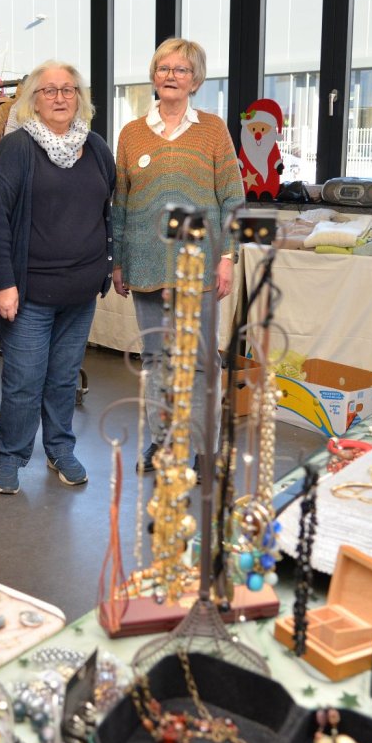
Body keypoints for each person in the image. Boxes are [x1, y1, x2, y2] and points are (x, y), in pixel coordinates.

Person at [112, 38, 245, 472]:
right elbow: (120, 203)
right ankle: (162, 443)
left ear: (196, 80)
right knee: (155, 359)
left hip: (200, 265)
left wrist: (227, 257)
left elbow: (233, 198)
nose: (171, 76)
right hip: (145, 263)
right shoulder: (131, 133)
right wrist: (118, 260)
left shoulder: (213, 129)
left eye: (181, 70)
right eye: (164, 68)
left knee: (202, 361)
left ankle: (205, 449)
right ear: (154, 76)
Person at [0, 60, 115, 495]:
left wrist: (107, 265)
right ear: (34, 101)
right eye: (50, 91)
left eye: (68, 89)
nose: (60, 98)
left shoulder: (96, 147)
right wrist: (4, 283)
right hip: (29, 294)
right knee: (24, 381)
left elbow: (107, 209)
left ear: (80, 97)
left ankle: (60, 449)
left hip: (80, 294)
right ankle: (11, 457)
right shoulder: (17, 149)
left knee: (63, 379)